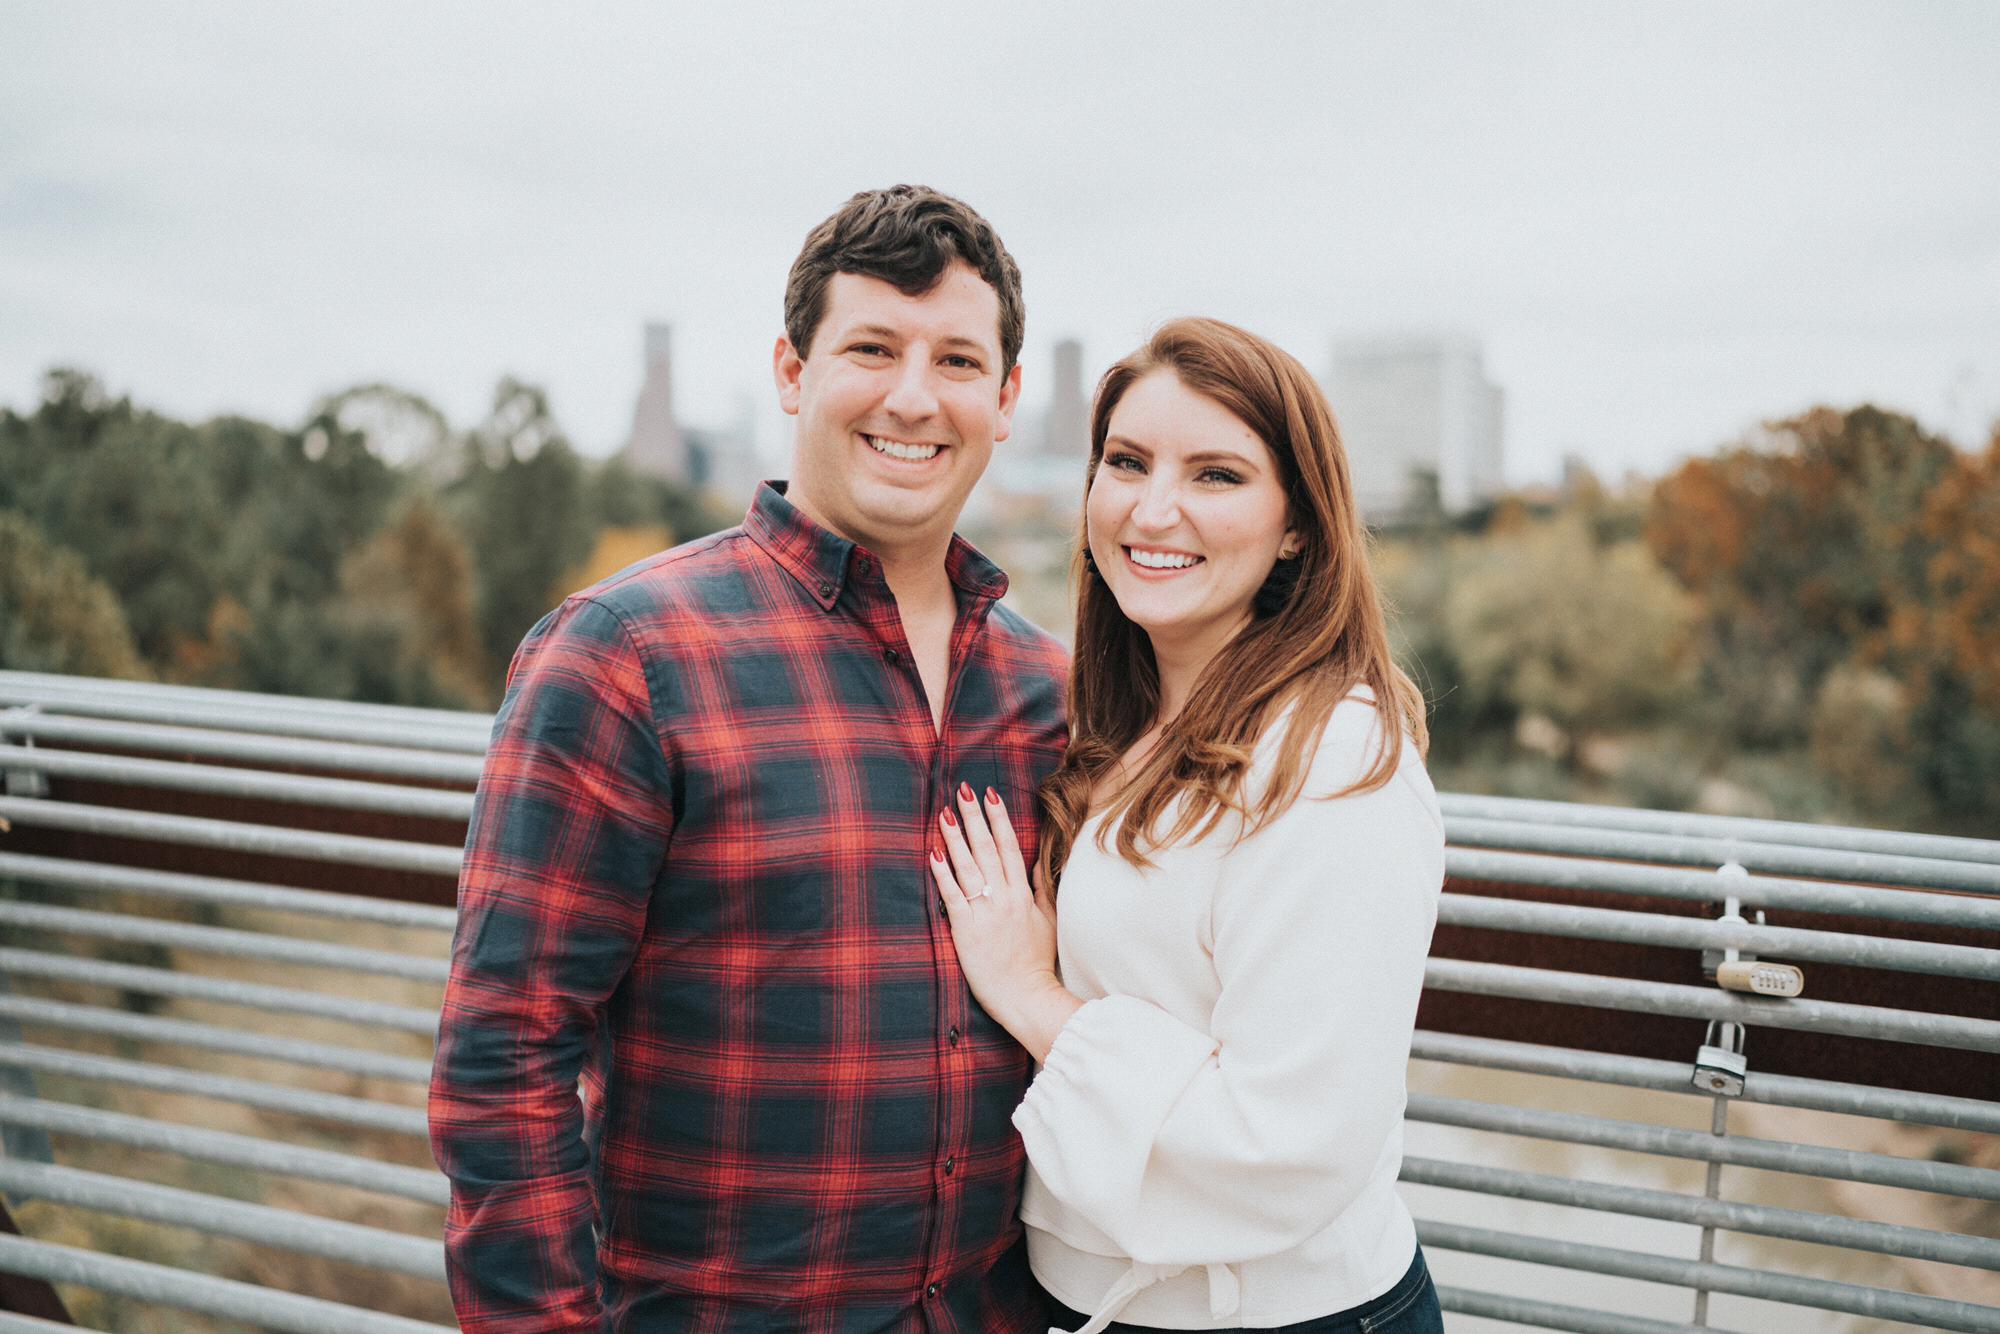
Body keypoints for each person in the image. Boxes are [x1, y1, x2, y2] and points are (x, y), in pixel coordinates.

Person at [428, 185, 1069, 1332]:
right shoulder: (625, 655)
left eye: (957, 361)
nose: (913, 397)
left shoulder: (1047, 691)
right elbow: (505, 1051)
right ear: (790, 369)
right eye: (871, 348)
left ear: (1006, 398)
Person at [929, 318, 1447, 1334]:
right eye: (1126, 462)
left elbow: (1288, 1141)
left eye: (1216, 475)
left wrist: (1031, 994)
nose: (1152, 508)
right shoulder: (1122, 724)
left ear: (1298, 525)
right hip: (1084, 1301)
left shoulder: (1335, 764)